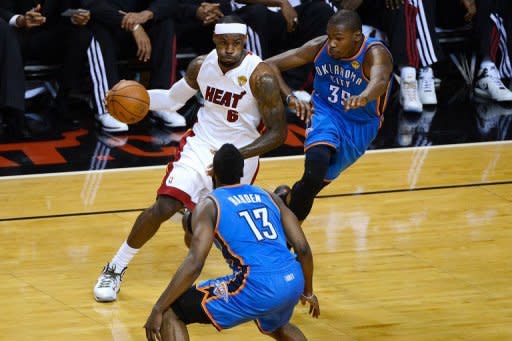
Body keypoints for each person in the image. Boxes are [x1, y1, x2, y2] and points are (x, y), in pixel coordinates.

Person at [93, 15, 287, 302]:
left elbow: (278, 133)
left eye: (236, 43)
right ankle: (115, 267)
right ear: (215, 40)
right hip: (201, 144)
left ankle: (248, 271)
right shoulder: (201, 65)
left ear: (245, 42)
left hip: (240, 155)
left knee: (223, 228)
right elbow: (172, 100)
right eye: (224, 42)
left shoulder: (262, 77)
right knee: (164, 205)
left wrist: (234, 156)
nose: (230, 49)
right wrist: (133, 96)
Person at [143, 143, 319, 341]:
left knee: (172, 311)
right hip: (292, 280)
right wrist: (308, 291)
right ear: (242, 171)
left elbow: (195, 263)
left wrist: (158, 307)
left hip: (256, 285)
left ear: (213, 173)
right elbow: (303, 249)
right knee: (277, 326)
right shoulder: (268, 196)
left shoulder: (210, 204)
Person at [266, 9, 393, 223]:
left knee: (311, 185)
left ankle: (284, 201)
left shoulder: (375, 53)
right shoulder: (319, 46)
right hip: (325, 112)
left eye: (338, 39)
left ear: (357, 38)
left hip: (361, 126)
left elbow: (380, 81)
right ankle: (288, 241)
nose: (331, 43)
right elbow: (268, 65)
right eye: (330, 36)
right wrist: (290, 97)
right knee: (315, 169)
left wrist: (363, 96)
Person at [84, 0, 183, 132]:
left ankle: (162, 103)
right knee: (96, 26)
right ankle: (107, 107)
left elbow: (170, 3)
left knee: (166, 24)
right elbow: (93, 5)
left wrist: (148, 14)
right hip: (110, 27)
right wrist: (133, 25)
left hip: (141, 31)